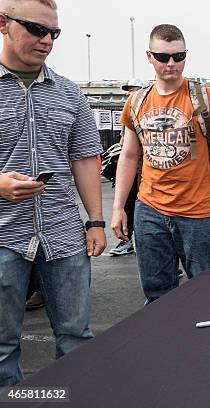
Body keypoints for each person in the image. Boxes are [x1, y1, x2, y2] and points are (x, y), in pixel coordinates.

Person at [0, 0, 106, 386]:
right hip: (4, 237)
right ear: (3, 23)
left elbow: (84, 159)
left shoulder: (69, 93)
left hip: (63, 237)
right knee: (2, 345)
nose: (47, 41)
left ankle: (73, 397)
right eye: (35, 29)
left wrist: (95, 221)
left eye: (54, 33)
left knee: (77, 337)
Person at [111, 24, 210, 304]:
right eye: (163, 56)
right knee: (156, 292)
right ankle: (163, 344)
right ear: (149, 57)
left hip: (197, 212)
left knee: (206, 291)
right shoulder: (136, 101)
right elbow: (129, 156)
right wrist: (119, 207)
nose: (172, 63)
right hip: (150, 209)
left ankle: (205, 345)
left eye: (179, 56)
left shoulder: (206, 98)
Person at [108, 79, 147, 256]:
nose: (128, 95)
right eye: (128, 92)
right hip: (134, 172)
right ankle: (127, 241)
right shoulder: (130, 114)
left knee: (143, 210)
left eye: (133, 91)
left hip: (148, 174)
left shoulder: (149, 114)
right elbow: (125, 148)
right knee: (128, 206)